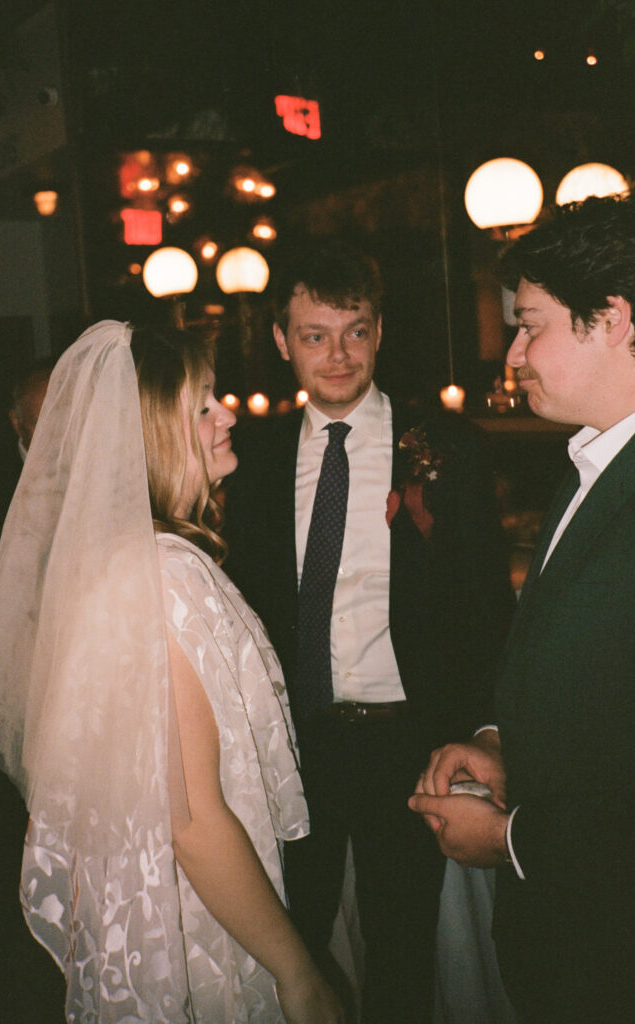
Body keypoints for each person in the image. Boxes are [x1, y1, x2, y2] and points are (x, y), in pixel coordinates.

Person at [0, 321, 344, 1024]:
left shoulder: (125, 561)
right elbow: (191, 818)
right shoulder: (160, 577)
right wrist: (297, 968)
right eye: (202, 403)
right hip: (193, 914)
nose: (226, 413)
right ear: (151, 430)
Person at [223, 241, 514, 1023]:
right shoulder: (247, 459)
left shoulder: (445, 447)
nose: (337, 354)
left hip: (406, 739)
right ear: (282, 341)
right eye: (314, 335)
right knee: (293, 941)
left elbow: (486, 605)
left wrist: (483, 730)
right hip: (293, 744)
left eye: (354, 331)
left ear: (380, 332)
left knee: (401, 950)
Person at [409, 194, 635, 1024]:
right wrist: (500, 743)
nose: (511, 352)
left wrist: (508, 840)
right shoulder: (590, 460)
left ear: (610, 318)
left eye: (529, 324)